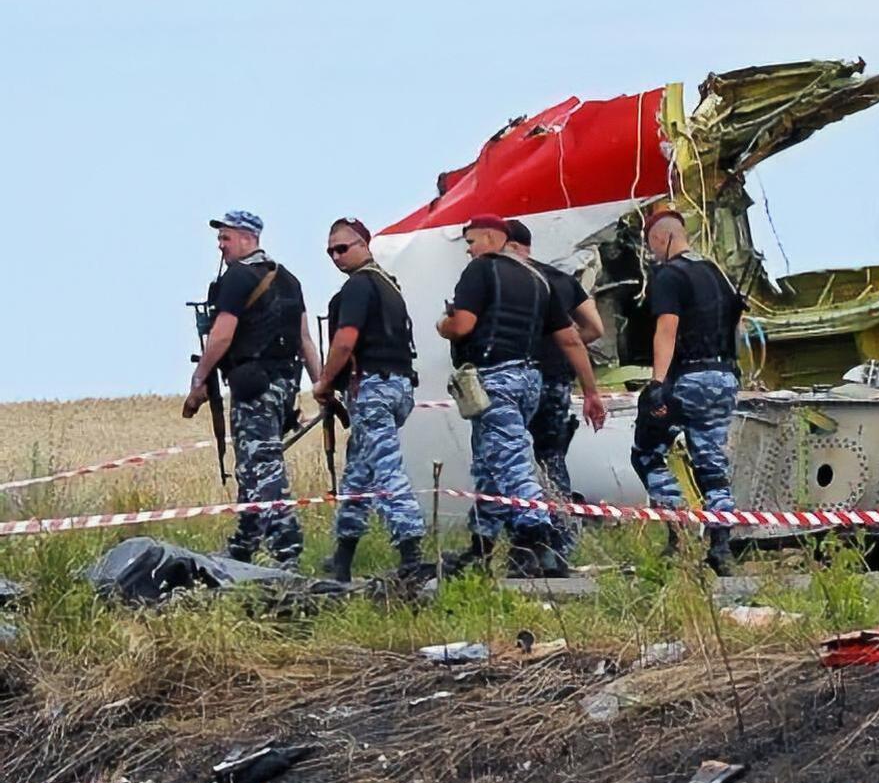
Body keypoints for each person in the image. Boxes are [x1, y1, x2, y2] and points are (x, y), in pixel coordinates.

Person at [437, 214, 607, 578]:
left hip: (495, 379)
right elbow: (572, 338)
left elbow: (462, 325)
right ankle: (480, 548)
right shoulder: (539, 279)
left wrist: (443, 325)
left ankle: (538, 541)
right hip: (531, 380)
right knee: (491, 464)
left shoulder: (481, 270)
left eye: (471, 242)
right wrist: (591, 392)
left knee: (512, 464)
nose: (468, 250)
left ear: (491, 238)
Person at [183, 210, 322, 568]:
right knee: (251, 465)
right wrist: (320, 383)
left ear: (248, 238)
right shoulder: (288, 279)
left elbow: (221, 336)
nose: (220, 245)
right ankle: (243, 545)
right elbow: (305, 339)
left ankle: (286, 550)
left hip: (254, 387)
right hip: (285, 385)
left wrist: (199, 378)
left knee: (262, 467)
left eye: (226, 238)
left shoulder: (237, 277)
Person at [630, 209, 744, 575]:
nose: (652, 252)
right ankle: (721, 546)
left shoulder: (669, 275)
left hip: (688, 379)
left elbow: (667, 328)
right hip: (724, 377)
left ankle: (677, 534)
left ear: (661, 238)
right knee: (711, 464)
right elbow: (737, 324)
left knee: (646, 453)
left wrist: (657, 384)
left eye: (651, 245)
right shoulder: (718, 273)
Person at [312, 217, 426, 583]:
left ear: (364, 244)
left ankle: (411, 551)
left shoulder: (359, 286)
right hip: (398, 385)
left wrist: (324, 382)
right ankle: (342, 557)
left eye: (342, 248)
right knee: (359, 473)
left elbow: (345, 341)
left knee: (386, 469)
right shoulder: (388, 285)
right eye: (330, 252)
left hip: (373, 388)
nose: (336, 257)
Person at [503, 218, 604, 561]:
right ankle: (561, 543)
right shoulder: (562, 280)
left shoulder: (507, 279)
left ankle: (524, 542)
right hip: (557, 380)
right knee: (552, 459)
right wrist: (562, 346)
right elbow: (595, 328)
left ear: (510, 245)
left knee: (511, 459)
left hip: (518, 377)